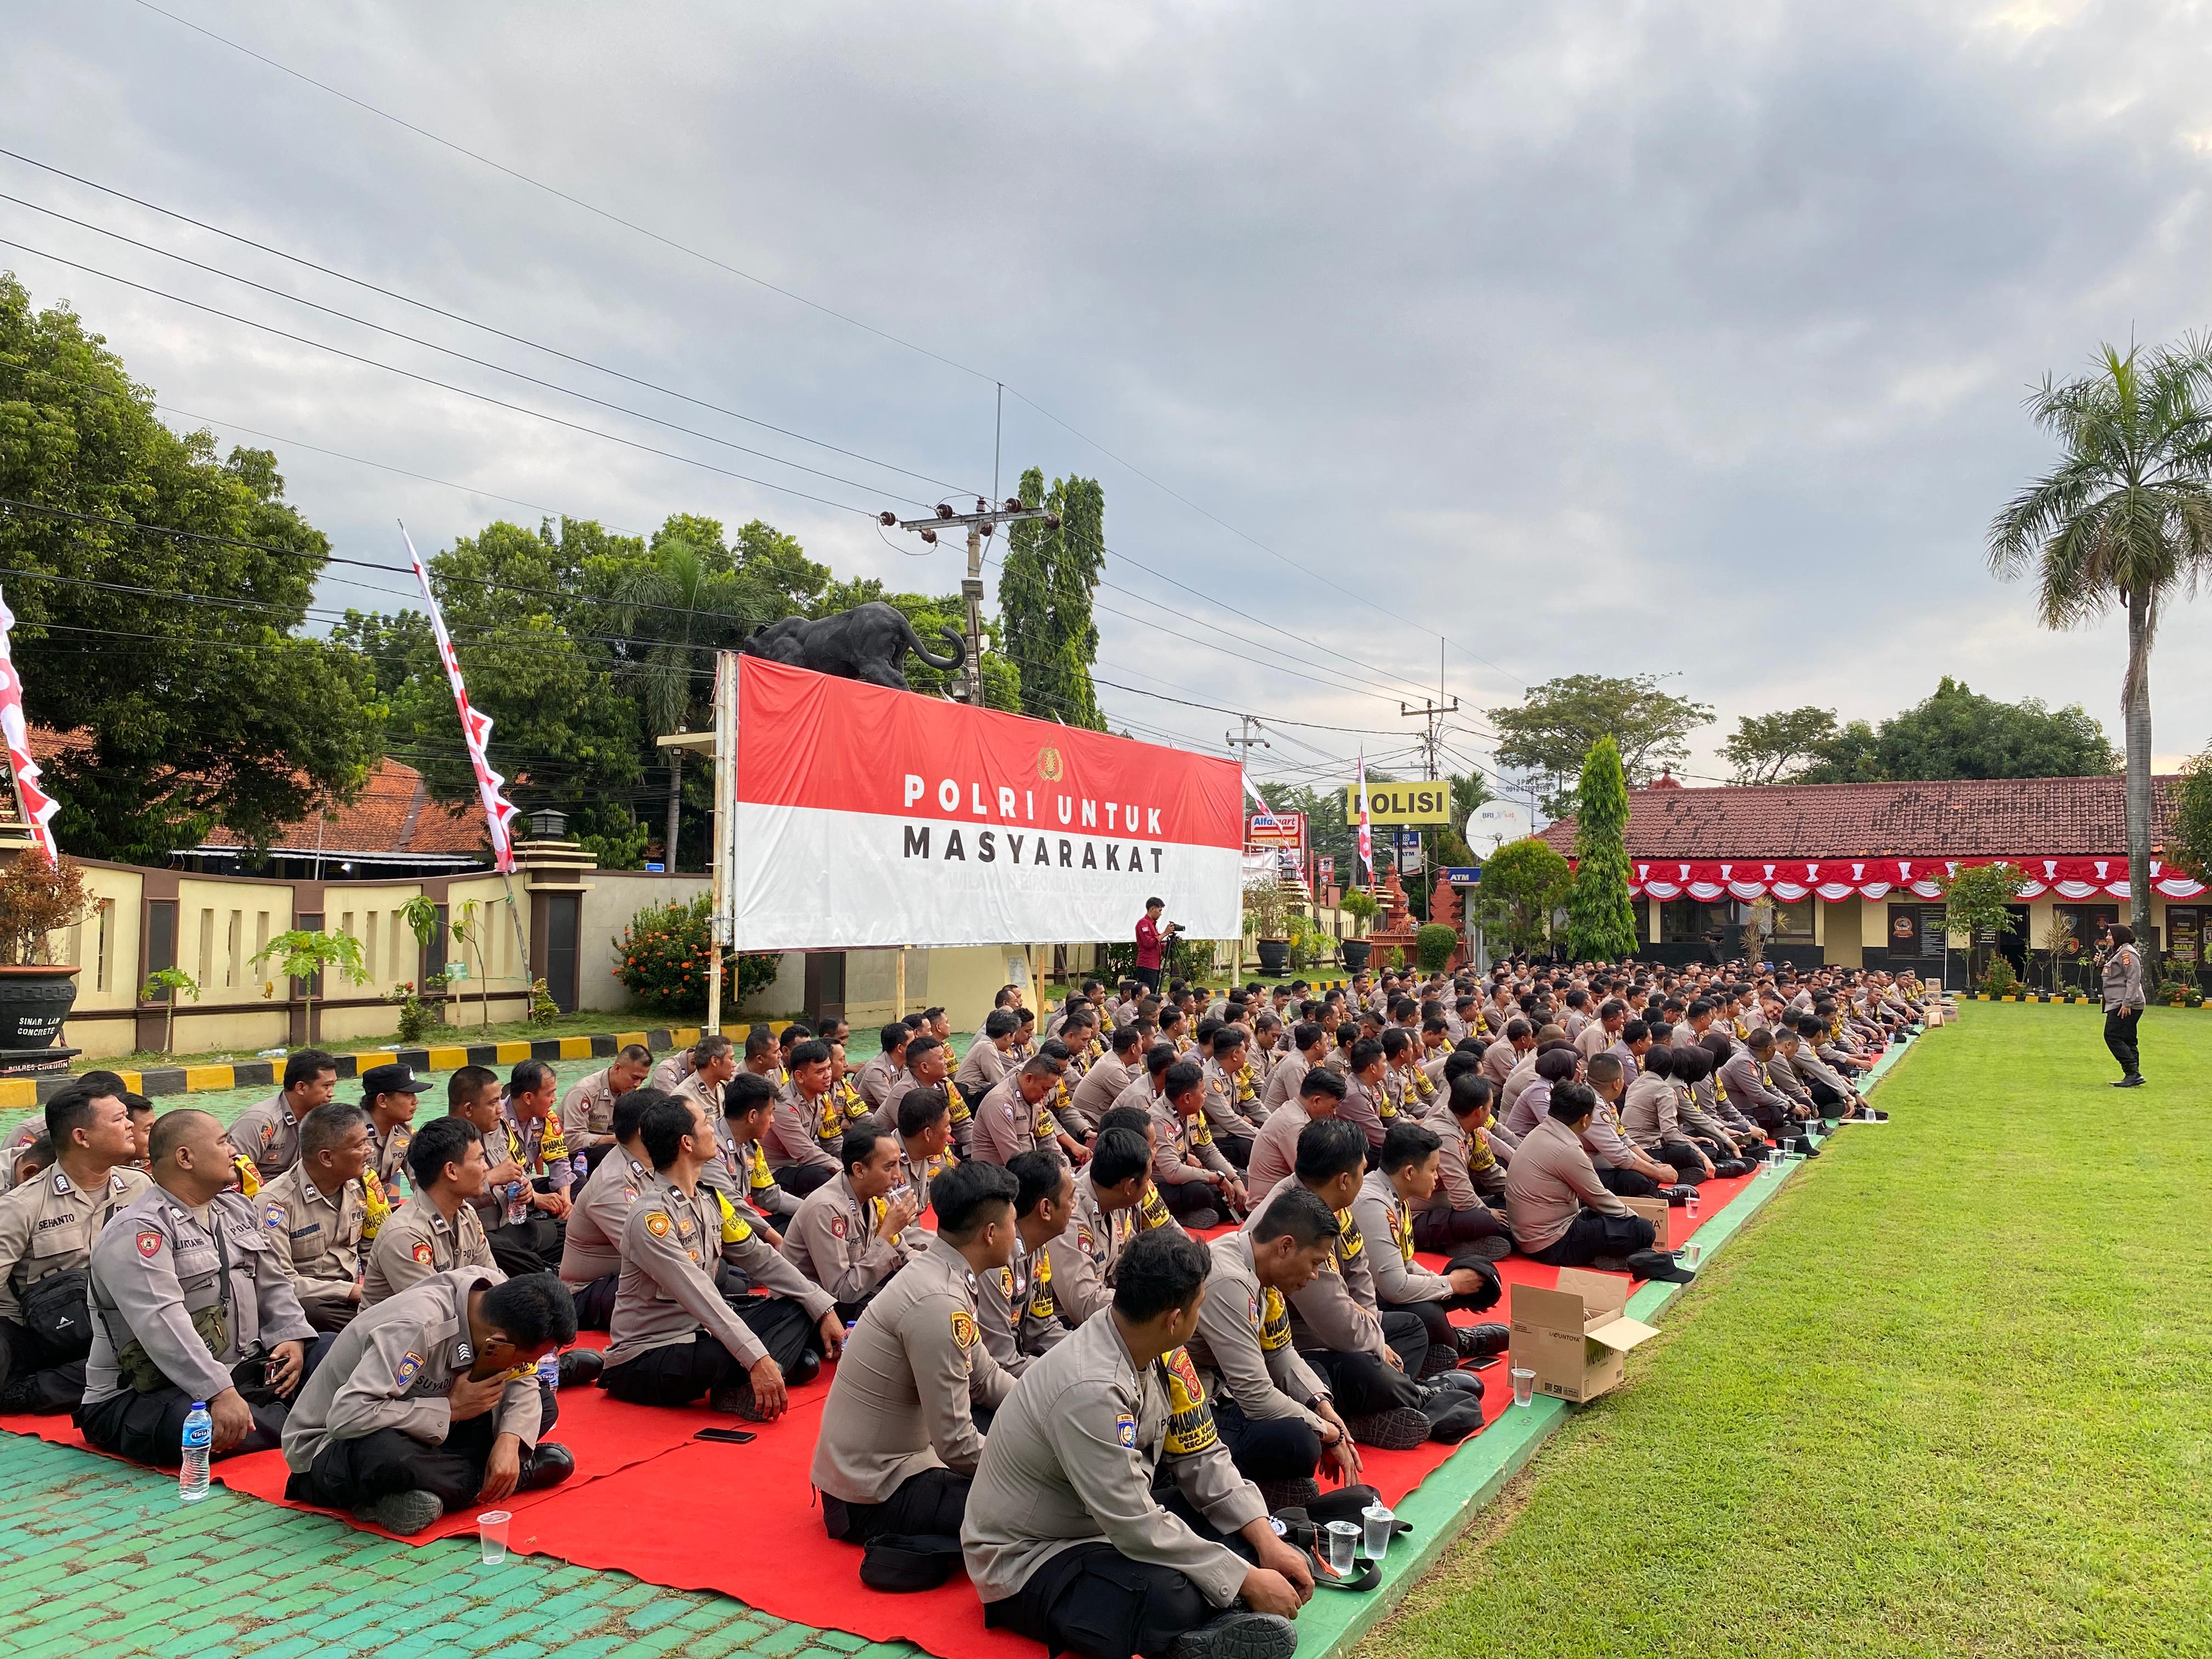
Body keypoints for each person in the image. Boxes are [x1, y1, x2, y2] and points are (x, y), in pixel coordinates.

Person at [963, 1227, 1313, 1659]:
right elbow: (1132, 1523)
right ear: (1174, 1318)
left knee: (1236, 1535)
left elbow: (1202, 1452)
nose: (1199, 1317)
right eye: (1199, 1307)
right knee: (1174, 1597)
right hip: (1032, 1555)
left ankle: (1224, 1612)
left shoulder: (1159, 1345)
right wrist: (1243, 1578)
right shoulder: (1090, 1387)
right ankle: (1201, 1627)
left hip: (1097, 1525)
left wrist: (1265, 1542)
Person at [77, 1109, 322, 1465]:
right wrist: (218, 1391)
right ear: (185, 1158)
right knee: (192, 1428)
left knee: (333, 1351)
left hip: (240, 1370)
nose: (234, 1151)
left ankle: (283, 1419)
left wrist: (291, 1337)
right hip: (149, 1391)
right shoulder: (140, 1230)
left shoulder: (237, 1209)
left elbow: (274, 1283)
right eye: (223, 1142)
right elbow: (162, 1323)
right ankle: (313, 1423)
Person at [811, 1160, 1020, 1558]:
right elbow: (957, 1445)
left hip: (903, 1460)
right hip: (873, 1495)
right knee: (1036, 1510)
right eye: (1013, 1224)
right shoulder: (938, 1301)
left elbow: (985, 1377)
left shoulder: (945, 1271)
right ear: (990, 1234)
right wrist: (1036, 1466)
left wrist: (1045, 1412)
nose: (1017, 1235)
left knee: (1014, 1427)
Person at [599, 1096, 843, 1420]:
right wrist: (756, 1357)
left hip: (699, 1334)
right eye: (705, 1124)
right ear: (687, 1143)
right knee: (733, 1351)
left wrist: (823, 1307)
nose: (714, 1130)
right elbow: (700, 1295)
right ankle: (759, 1375)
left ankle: (760, 1375)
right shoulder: (650, 1217)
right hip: (647, 1355)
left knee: (800, 1305)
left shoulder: (708, 1199)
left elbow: (759, 1257)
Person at [281, 1269, 579, 1534]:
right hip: (334, 1444)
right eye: (526, 1357)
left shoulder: (496, 1294)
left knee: (542, 1403)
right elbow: (346, 1417)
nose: (529, 1364)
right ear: (498, 1342)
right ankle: (497, 1480)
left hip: (428, 1423)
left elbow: (522, 1378)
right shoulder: (415, 1326)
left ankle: (431, 1488)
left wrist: (510, 1442)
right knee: (390, 1456)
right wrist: (449, 1409)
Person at [1247, 1119, 1430, 1449]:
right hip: (1300, 1346)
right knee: (1361, 1368)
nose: (1366, 1177)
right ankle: (1401, 1401)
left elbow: (1360, 1272)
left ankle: (1398, 1397)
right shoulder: (1295, 1219)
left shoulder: (1332, 1201)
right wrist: (1374, 1343)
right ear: (1344, 1180)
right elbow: (1336, 1326)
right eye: (1363, 1170)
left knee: (1414, 1328)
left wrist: (1374, 1329)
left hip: (1337, 1327)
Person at [1188, 1184, 1364, 1510]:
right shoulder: (1230, 1282)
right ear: (1285, 1247)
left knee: (1317, 1387)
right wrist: (1328, 1432)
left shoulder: (1262, 1273)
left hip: (1227, 1391)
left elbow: (1281, 1353)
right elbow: (1255, 1396)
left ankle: (1266, 1479)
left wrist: (1324, 1410)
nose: (1314, 1275)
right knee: (1300, 1439)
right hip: (1196, 1404)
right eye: (1314, 1262)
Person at [0, 1084, 150, 1413]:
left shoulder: (141, 1187)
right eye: (119, 1119)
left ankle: (42, 1387)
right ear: (82, 1137)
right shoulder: (22, 1205)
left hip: (117, 1321)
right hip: (43, 1330)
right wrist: (27, 1323)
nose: (130, 1125)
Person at [1351, 1122, 1508, 1374]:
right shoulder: (1373, 1203)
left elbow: (1405, 1263)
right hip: (1362, 1303)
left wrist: (1447, 1283)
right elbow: (1394, 1287)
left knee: (1473, 1273)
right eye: (1434, 1170)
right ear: (1410, 1172)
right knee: (1425, 1312)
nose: (1438, 1177)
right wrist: (1451, 1284)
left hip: (1383, 1291)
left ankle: (1443, 1340)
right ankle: (1458, 1342)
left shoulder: (1394, 1196)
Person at [1503, 1082, 1657, 1268]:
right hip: (1552, 1244)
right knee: (1643, 1230)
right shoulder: (1567, 1149)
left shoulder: (1541, 1132)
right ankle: (1618, 1255)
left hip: (1534, 1234)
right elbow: (1599, 1198)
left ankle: (1615, 1253)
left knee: (1602, 1216)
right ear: (1585, 1119)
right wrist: (1635, 1218)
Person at [781, 1126, 923, 1319]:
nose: (898, 1175)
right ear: (859, 1170)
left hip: (857, 1293)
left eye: (899, 1164)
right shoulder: (827, 1209)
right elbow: (842, 1292)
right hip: (812, 1312)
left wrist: (929, 1270)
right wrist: (887, 1234)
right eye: (889, 1166)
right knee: (911, 1311)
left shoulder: (876, 1194)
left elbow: (903, 1251)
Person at [257, 1101, 374, 1333]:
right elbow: (280, 1281)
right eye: (360, 1145)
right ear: (327, 1158)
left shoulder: (362, 1183)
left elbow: (371, 1249)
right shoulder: (275, 1202)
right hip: (316, 1301)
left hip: (358, 1296)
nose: (369, 1150)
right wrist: (349, 1293)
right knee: (314, 1310)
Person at [363, 1116, 500, 1305]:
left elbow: (494, 1279)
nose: (486, 1167)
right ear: (451, 1171)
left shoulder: (465, 1214)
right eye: (479, 1159)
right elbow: (435, 1309)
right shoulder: (405, 1235)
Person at [558, 1085, 662, 1329]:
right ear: (645, 1131)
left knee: (728, 1277)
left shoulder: (653, 1165)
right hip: (589, 1291)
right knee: (694, 1285)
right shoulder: (615, 1181)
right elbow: (650, 1251)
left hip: (629, 1275)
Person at [977, 1149, 1075, 1375]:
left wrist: (1087, 1351)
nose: (1074, 1205)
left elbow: (1040, 1327)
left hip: (1017, 1365)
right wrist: (1069, 1375)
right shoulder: (996, 1263)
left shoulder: (1038, 1246)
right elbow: (1002, 1362)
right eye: (1070, 1198)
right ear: (1046, 1209)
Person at [1047, 1126, 1151, 1327]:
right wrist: (1147, 1304)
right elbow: (1083, 1304)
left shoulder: (1117, 1200)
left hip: (1107, 1304)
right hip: (1063, 1324)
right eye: (1147, 1180)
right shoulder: (1070, 1216)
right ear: (1129, 1186)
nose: (1150, 1186)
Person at [1152, 1060, 1246, 1227]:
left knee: (1238, 1181)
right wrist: (1215, 1178)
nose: (1206, 1096)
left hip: (1183, 1179)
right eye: (1203, 1092)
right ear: (1187, 1098)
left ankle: (1215, 1211)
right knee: (1201, 1192)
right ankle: (1177, 1216)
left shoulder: (1193, 1113)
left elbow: (1208, 1151)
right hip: (1162, 1186)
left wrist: (1233, 1177)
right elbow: (1173, 1172)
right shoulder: (1160, 1120)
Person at [228, 1049, 340, 1181]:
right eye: (326, 1086)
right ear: (301, 1088)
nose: (331, 1093)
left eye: (333, 1085)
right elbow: (235, 1174)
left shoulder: (322, 1119)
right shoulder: (262, 1120)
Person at [1245, 1065, 1345, 1201]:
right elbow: (1313, 1179)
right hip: (1268, 1209)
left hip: (1283, 1200)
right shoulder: (1295, 1125)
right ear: (1316, 1101)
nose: (1334, 1114)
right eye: (1333, 1107)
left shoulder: (1294, 1110)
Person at [761, 1039, 842, 1198]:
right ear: (799, 1076)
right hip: (777, 1172)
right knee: (823, 1176)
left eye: (829, 1068)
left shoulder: (823, 1097)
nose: (828, 1076)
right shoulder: (783, 1105)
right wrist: (842, 1169)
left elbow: (832, 1140)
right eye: (820, 1072)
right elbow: (805, 1153)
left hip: (802, 1165)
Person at [559, 1043, 653, 1159]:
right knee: (608, 1152)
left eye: (642, 1079)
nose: (637, 1084)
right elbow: (572, 1141)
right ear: (618, 1068)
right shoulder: (585, 1092)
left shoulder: (631, 1093)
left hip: (610, 1149)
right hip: (576, 1158)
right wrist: (616, 1139)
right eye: (634, 1078)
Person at [360, 1063, 425, 1198]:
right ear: (382, 1100)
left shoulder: (405, 1133)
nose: (415, 1101)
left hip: (388, 1209)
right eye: (408, 1095)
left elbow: (421, 1179)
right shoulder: (352, 1134)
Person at [2101, 923, 2147, 1086]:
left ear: (2119, 936)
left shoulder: (2127, 954)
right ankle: (2134, 1075)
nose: (2107, 938)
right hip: (2121, 1001)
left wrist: (2127, 1003)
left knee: (2112, 1036)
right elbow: (2116, 976)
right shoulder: (2119, 953)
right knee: (2128, 1039)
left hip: (2124, 1003)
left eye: (2110, 935)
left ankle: (2132, 1072)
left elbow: (2133, 979)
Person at [1132, 897, 1180, 994]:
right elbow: (1149, 943)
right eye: (1160, 910)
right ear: (1152, 909)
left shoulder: (1152, 925)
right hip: (1147, 966)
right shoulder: (1144, 923)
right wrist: (1165, 933)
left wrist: (1168, 943)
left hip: (1154, 966)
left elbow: (1156, 945)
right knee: (1147, 995)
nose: (1161, 914)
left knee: (1153, 993)